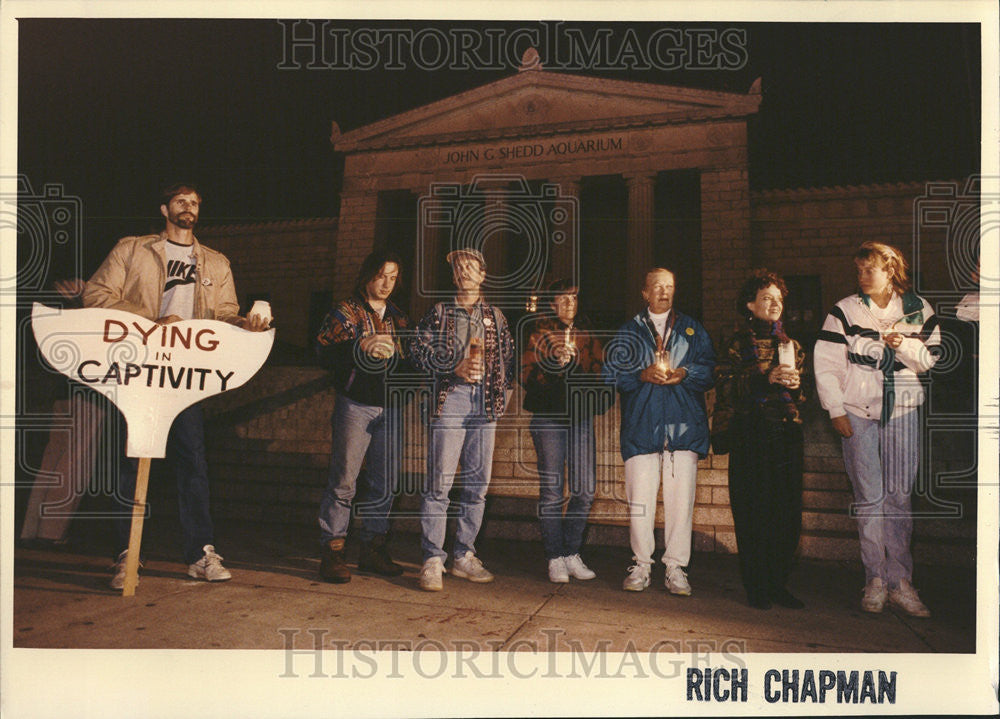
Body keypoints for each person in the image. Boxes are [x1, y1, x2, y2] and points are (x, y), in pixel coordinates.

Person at [83, 182, 271, 589]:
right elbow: (95, 295)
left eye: (196, 203)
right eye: (182, 201)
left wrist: (247, 324)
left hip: (186, 374)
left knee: (193, 462)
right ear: (164, 209)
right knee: (131, 464)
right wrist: (150, 321)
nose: (190, 208)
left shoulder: (216, 262)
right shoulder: (133, 249)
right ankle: (126, 555)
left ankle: (200, 553)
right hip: (137, 370)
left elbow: (223, 314)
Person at [814, 241, 939, 617]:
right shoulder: (845, 310)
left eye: (870, 269)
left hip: (902, 411)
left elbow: (930, 359)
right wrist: (835, 409)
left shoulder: (917, 309)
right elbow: (827, 363)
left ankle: (901, 582)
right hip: (858, 412)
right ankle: (875, 580)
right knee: (869, 498)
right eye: (859, 270)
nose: (863, 276)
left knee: (899, 497)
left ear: (890, 270)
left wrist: (904, 347)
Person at [602, 268, 715, 595]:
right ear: (644, 293)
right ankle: (640, 565)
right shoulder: (628, 331)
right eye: (657, 287)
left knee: (682, 503)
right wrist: (641, 375)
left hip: (683, 428)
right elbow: (611, 375)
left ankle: (677, 567)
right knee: (640, 502)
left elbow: (709, 371)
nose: (664, 292)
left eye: (670, 287)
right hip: (643, 427)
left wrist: (685, 372)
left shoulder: (693, 329)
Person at [408, 248, 515, 591]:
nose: (465, 271)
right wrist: (451, 366)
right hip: (451, 400)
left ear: (483, 275)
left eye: (472, 267)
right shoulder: (439, 313)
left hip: (484, 406)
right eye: (459, 267)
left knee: (477, 486)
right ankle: (432, 559)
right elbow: (416, 349)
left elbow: (509, 360)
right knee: (440, 483)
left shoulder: (496, 317)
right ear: (454, 277)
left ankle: (464, 555)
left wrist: (500, 398)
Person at [712, 269, 807, 610]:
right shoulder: (735, 344)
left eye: (779, 299)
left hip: (785, 434)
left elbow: (803, 395)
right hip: (750, 434)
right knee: (753, 513)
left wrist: (798, 389)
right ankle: (757, 585)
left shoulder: (792, 346)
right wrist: (765, 379)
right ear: (750, 304)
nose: (774, 304)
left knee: (787, 515)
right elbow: (724, 388)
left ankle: (778, 583)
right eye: (766, 298)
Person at [314, 250, 409, 583]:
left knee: (385, 484)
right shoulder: (346, 311)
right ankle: (333, 550)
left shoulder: (398, 316)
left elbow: (408, 361)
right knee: (344, 480)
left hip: (392, 406)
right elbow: (323, 351)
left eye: (393, 277)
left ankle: (373, 548)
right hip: (355, 403)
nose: (386, 283)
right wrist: (359, 346)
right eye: (381, 275)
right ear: (368, 275)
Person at [520, 279, 605, 583]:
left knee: (585, 489)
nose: (570, 304)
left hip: (580, 418)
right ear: (552, 304)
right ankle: (554, 556)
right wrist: (553, 363)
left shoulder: (587, 333)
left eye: (574, 298)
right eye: (563, 299)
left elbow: (600, 375)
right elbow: (525, 375)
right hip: (548, 418)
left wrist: (579, 364)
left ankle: (571, 551)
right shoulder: (540, 333)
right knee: (553, 492)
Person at [20, 279, 105, 545]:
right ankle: (51, 532)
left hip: (62, 390)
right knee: (76, 461)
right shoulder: (89, 307)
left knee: (53, 459)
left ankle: (31, 529)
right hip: (87, 391)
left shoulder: (54, 306)